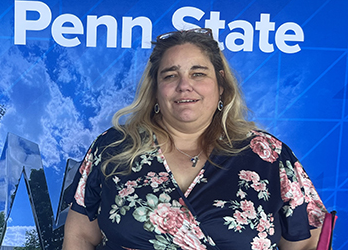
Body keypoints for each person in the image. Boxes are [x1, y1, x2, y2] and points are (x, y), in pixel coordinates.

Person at [62, 28, 327, 250]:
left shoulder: (268, 155)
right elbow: (81, 236)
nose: (184, 85)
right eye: (170, 75)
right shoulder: (113, 149)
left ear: (221, 85)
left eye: (198, 73)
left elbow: (305, 244)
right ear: (155, 89)